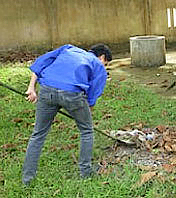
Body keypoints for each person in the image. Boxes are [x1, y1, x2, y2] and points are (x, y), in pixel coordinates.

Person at [22, 44, 112, 185]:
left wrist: (31, 88)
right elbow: (92, 98)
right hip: (72, 93)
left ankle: (27, 180)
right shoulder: (98, 65)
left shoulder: (67, 48)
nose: (104, 66)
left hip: (46, 90)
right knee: (87, 131)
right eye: (105, 64)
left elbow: (40, 63)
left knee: (38, 134)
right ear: (102, 57)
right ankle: (86, 173)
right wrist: (83, 115)